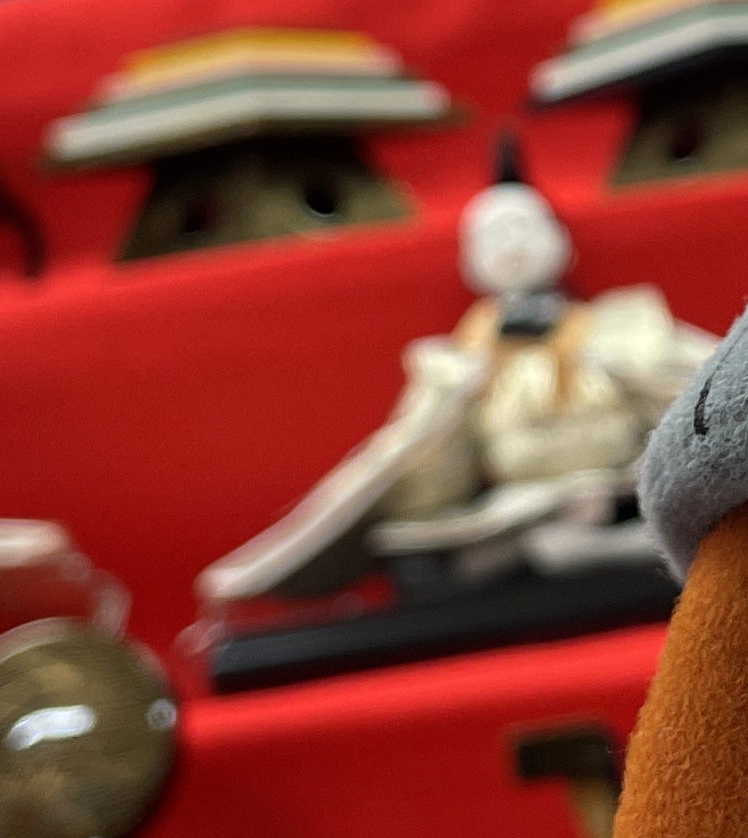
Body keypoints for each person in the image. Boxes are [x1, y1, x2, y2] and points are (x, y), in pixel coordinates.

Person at [199, 147, 717, 616]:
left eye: (524, 230)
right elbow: (424, 476)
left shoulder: (620, 325)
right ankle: (583, 550)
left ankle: (613, 545)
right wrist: (447, 406)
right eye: (494, 238)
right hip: (519, 506)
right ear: (471, 262)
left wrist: (628, 365)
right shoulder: (457, 362)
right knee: (422, 559)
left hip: (621, 483)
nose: (511, 247)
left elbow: (713, 381)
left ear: (560, 243)